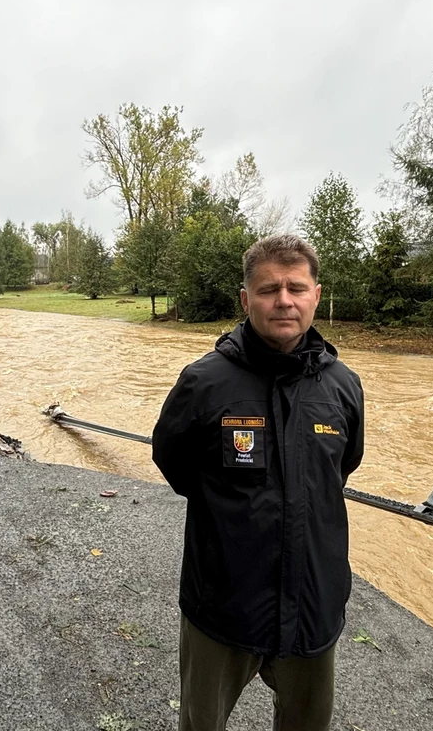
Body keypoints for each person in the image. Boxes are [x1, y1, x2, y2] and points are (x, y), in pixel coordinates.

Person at [152, 234, 364, 731]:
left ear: (316, 294)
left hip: (314, 600)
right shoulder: (204, 382)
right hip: (223, 602)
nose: (284, 301)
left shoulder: (343, 385)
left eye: (296, 287)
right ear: (246, 300)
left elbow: (342, 468)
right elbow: (173, 461)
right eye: (269, 290)